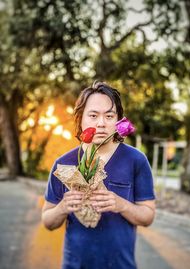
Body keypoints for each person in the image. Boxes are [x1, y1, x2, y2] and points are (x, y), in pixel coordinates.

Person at [42, 81, 156, 269]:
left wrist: (121, 205)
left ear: (118, 120)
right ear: (80, 119)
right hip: (75, 265)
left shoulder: (136, 160)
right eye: (93, 115)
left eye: (109, 116)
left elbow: (148, 215)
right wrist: (63, 207)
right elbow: (48, 221)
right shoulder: (63, 164)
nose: (101, 123)